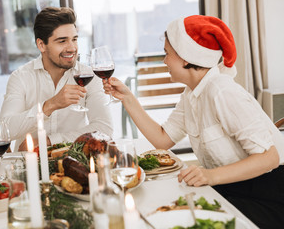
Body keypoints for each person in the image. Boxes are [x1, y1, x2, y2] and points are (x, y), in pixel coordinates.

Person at [103, 15, 284, 228]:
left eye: (167, 54)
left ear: (186, 57)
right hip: (231, 187)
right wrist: (127, 98)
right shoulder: (191, 94)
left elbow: (269, 158)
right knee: (166, 210)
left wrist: (209, 176)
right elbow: (163, 140)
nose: (164, 61)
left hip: (268, 194)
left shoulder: (222, 92)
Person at [0, 7, 113, 151]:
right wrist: (50, 105)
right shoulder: (20, 77)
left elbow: (104, 128)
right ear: (41, 45)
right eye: (62, 41)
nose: (72, 48)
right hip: (29, 162)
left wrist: (49, 141)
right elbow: (5, 130)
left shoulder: (90, 76)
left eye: (74, 39)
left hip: (75, 160)